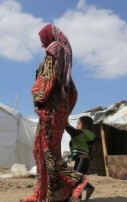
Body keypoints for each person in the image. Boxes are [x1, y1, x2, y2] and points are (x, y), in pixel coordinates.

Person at [22, 24, 88, 202]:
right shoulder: (65, 55)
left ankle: (77, 180)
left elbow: (47, 79)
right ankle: (45, 195)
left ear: (49, 37)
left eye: (43, 40)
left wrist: (38, 96)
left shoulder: (56, 48)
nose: (43, 45)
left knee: (47, 153)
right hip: (57, 109)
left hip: (51, 109)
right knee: (42, 152)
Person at [65, 116, 96, 200]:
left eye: (78, 124)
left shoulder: (81, 133)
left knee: (75, 177)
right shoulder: (86, 136)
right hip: (82, 160)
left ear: (85, 126)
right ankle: (78, 198)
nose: (76, 126)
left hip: (81, 159)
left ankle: (89, 188)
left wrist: (64, 122)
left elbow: (71, 131)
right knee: (77, 179)